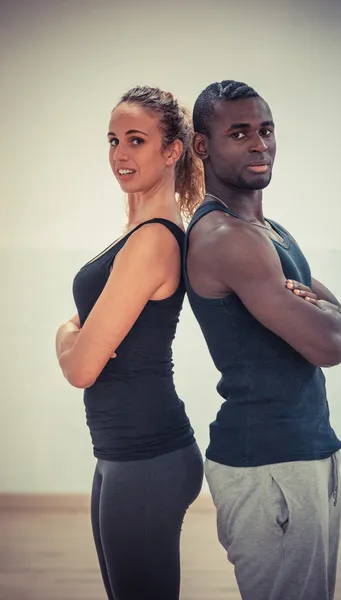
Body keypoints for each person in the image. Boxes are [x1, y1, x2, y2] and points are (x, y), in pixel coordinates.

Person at [183, 80, 341, 600]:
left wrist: (334, 320)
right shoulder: (227, 238)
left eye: (266, 130)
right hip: (269, 463)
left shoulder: (270, 230)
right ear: (202, 147)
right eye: (239, 133)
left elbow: (340, 327)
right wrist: (333, 319)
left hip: (306, 449)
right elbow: (333, 345)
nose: (259, 144)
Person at [55, 86, 204, 600]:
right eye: (113, 140)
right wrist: (77, 336)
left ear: (172, 150)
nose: (120, 153)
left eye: (136, 140)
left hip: (147, 458)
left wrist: (65, 335)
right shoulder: (139, 231)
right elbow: (84, 334)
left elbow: (80, 369)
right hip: (124, 452)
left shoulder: (154, 239)